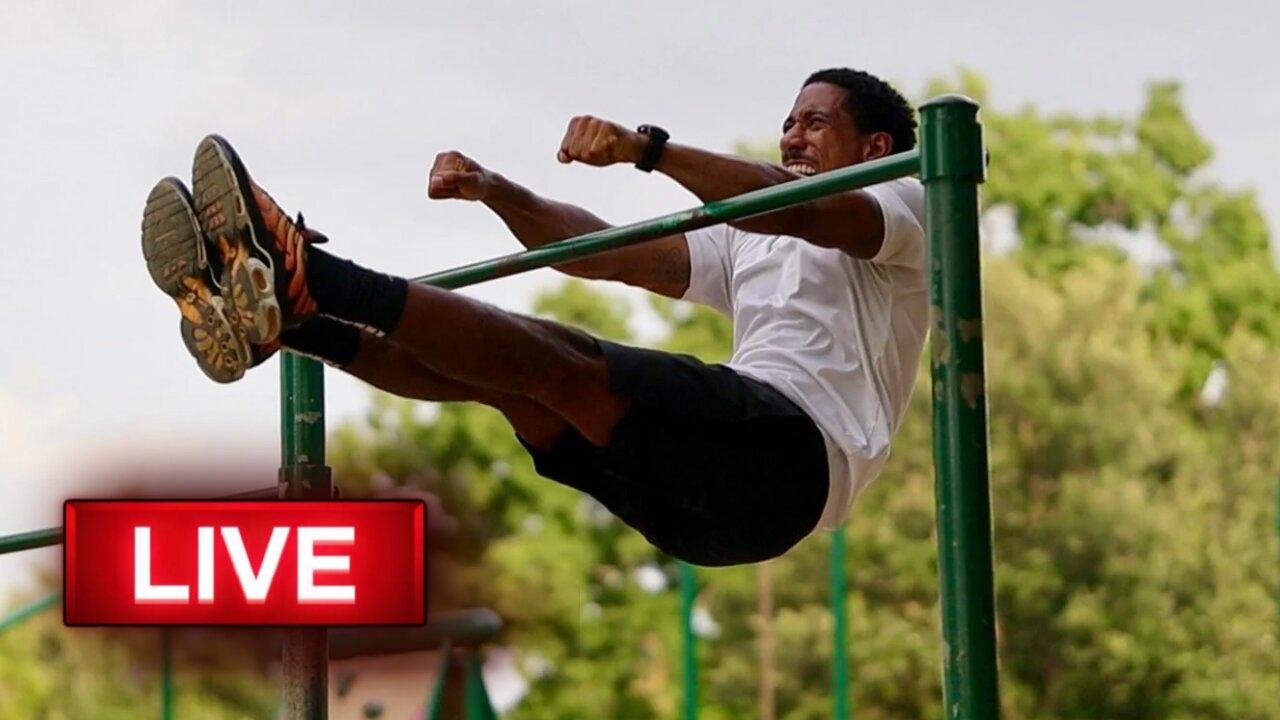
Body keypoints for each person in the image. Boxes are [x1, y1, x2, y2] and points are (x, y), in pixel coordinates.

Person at [139, 67, 926, 567]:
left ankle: (314, 279)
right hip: (712, 512)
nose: (792, 134)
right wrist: (497, 190)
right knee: (519, 388)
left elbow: (811, 215)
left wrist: (648, 149)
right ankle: (296, 323)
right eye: (788, 121)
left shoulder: (908, 201)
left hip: (798, 451)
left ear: (874, 145)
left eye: (815, 123)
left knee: (562, 364)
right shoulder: (749, 233)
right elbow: (602, 252)